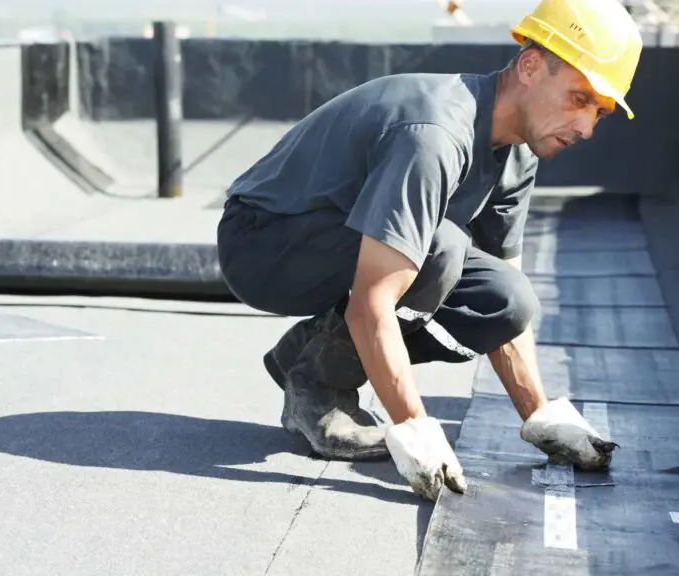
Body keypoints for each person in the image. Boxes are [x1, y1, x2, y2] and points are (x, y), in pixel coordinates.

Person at [216, 0, 643, 501]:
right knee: (439, 248)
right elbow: (377, 296)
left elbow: (500, 288)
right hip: (265, 242)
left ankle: (306, 353)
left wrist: (539, 415)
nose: (587, 127)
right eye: (578, 97)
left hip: (343, 247)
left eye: (598, 110)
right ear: (529, 66)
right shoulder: (436, 134)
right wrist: (413, 425)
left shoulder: (519, 152)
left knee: (507, 299)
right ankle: (318, 388)